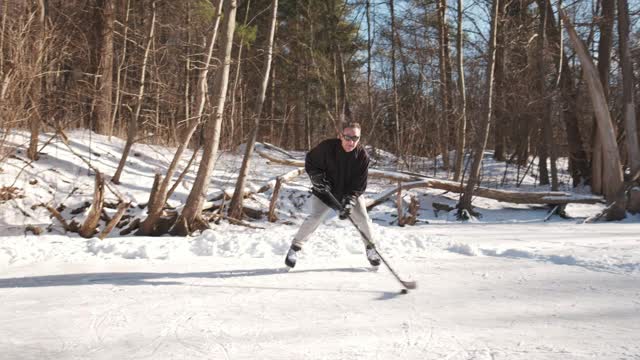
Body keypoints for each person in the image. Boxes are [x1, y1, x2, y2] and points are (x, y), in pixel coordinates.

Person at [284, 122, 381, 268]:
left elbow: (359, 184)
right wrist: (316, 177)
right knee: (315, 217)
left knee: (363, 219)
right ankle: (294, 249)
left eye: (355, 138)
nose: (351, 142)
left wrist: (350, 201)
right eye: (348, 137)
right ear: (340, 136)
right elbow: (310, 160)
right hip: (325, 191)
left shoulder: (362, 156)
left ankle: (371, 249)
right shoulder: (327, 147)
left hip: (349, 193)